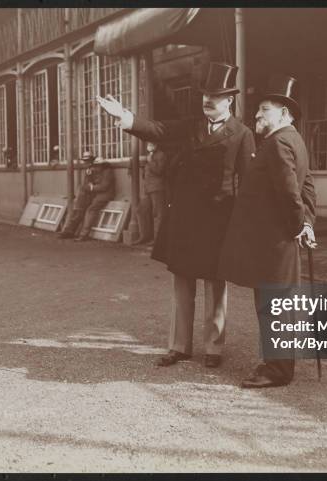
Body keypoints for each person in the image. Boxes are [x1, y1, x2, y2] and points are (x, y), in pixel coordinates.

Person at [97, 62, 256, 368]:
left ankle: (214, 348)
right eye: (205, 94)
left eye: (216, 95)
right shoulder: (191, 126)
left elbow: (247, 181)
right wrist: (126, 117)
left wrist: (243, 224)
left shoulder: (242, 134)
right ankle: (179, 346)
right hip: (185, 216)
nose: (207, 100)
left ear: (230, 101)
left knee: (214, 284)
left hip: (218, 218)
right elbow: (160, 129)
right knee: (182, 281)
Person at [218, 75, 317, 388]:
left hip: (273, 242)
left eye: (264, 110)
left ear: (284, 115)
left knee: (273, 304)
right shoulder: (295, 140)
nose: (257, 115)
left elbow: (291, 191)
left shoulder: (277, 143)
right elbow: (308, 187)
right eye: (257, 110)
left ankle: (277, 370)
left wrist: (299, 224)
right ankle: (279, 365)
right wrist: (307, 223)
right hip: (280, 239)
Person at [58, 152, 115, 241]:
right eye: (95, 165)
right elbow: (87, 183)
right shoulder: (93, 170)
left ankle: (84, 235)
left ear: (102, 165)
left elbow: (104, 186)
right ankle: (69, 231)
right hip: (93, 193)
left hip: (104, 194)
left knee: (90, 210)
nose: (96, 167)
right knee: (79, 209)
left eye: (98, 166)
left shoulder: (107, 172)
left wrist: (91, 187)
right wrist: (88, 182)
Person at [134, 142, 167, 245]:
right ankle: (144, 236)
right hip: (148, 189)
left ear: (156, 145)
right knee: (140, 210)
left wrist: (150, 161)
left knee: (157, 214)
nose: (149, 146)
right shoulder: (150, 156)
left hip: (157, 188)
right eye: (148, 144)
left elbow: (159, 171)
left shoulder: (161, 155)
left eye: (152, 144)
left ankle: (158, 240)